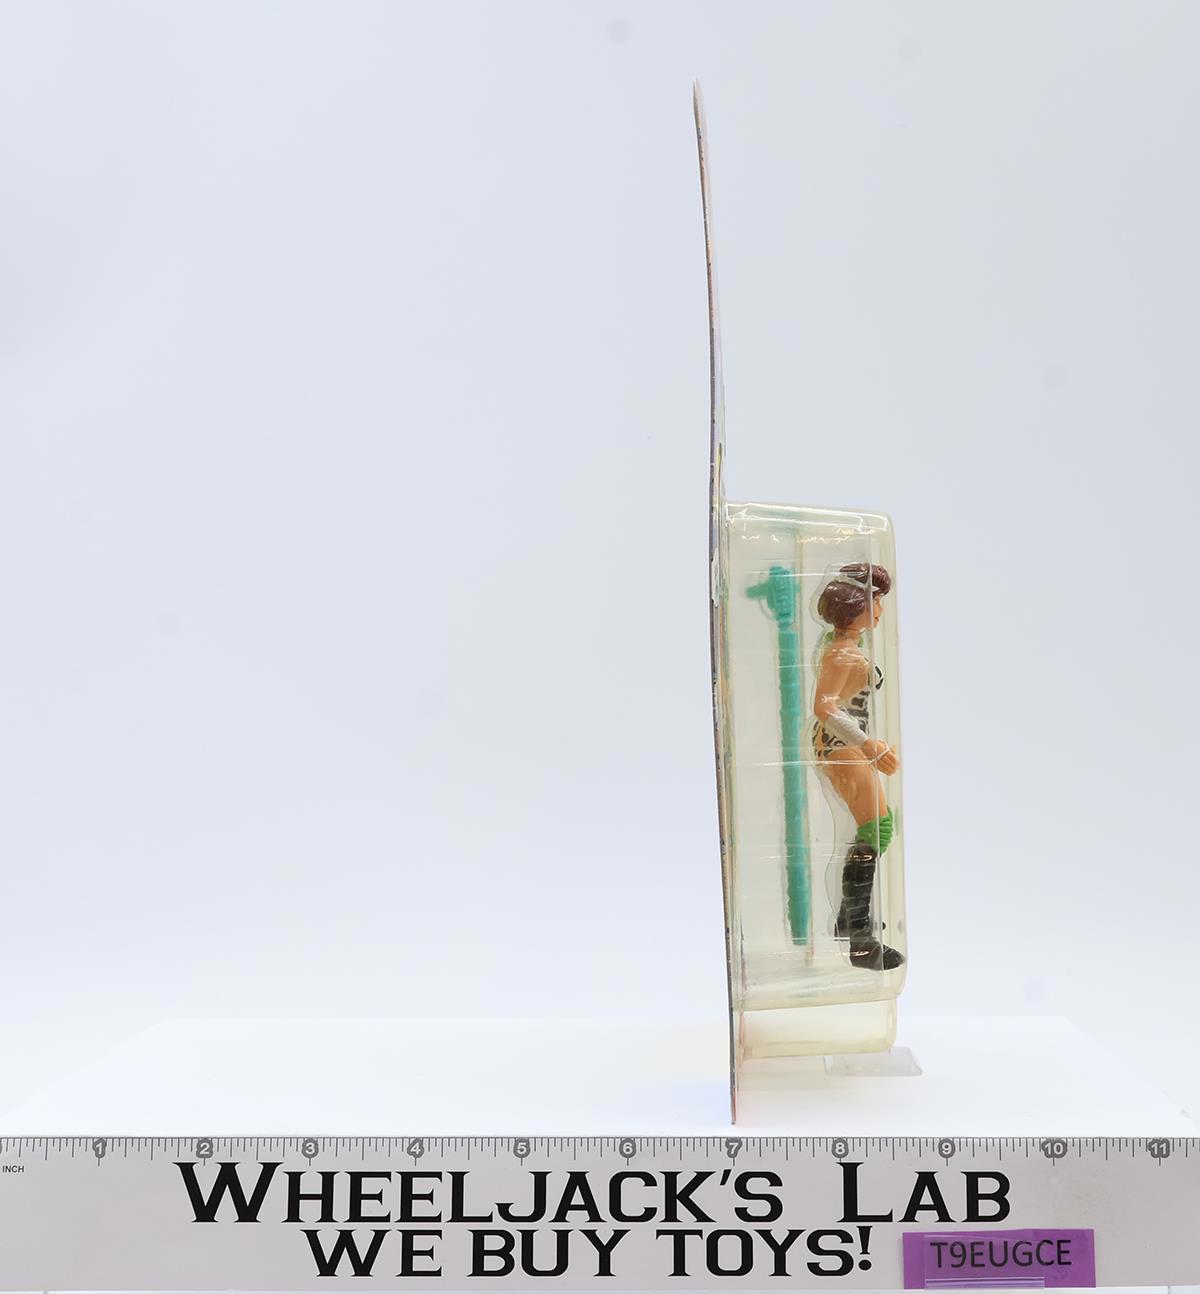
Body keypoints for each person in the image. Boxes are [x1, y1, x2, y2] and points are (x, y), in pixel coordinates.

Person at [811, 563, 904, 971]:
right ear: (855, 608)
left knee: (879, 827)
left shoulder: (843, 644)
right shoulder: (841, 652)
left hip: (848, 745)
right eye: (874, 603)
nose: (880, 611)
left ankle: (850, 919)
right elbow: (824, 706)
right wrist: (868, 745)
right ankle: (860, 941)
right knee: (876, 828)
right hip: (841, 746)